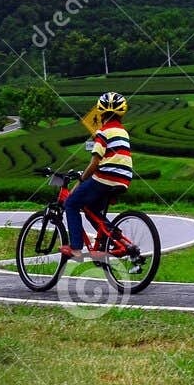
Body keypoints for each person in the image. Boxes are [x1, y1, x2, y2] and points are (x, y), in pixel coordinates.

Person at [62, 91, 133, 261]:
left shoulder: (103, 132)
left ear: (101, 113)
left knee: (71, 203)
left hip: (105, 178)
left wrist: (80, 181)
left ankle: (76, 249)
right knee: (92, 210)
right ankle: (114, 241)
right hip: (124, 179)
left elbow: (94, 163)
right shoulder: (123, 132)